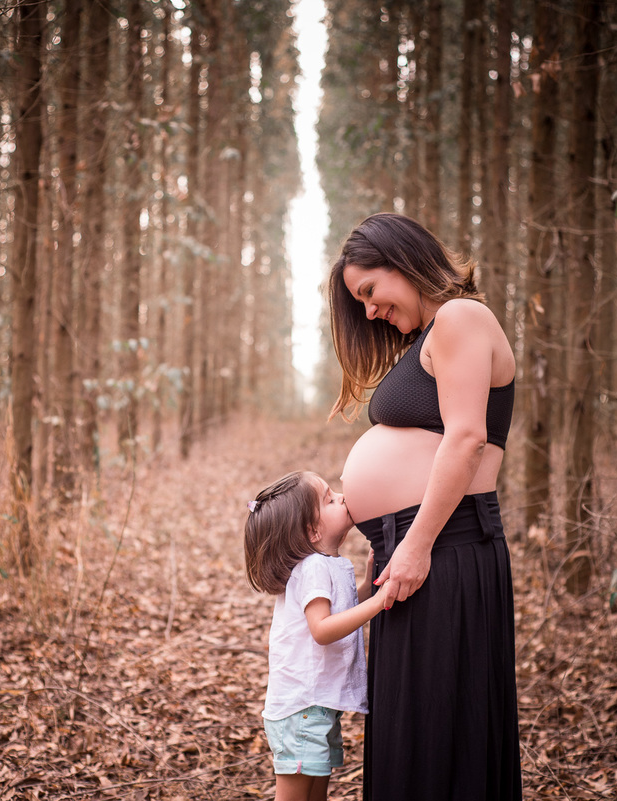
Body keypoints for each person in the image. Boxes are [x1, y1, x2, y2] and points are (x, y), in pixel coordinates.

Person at [328, 212, 522, 800]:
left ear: (403, 260)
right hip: (420, 549)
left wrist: (413, 545)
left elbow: (467, 439)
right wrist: (389, 542)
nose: (368, 311)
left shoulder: (462, 317)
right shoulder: (429, 338)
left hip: (446, 547)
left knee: (442, 728)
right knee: (413, 727)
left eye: (369, 291)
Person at [244, 471, 389, 801]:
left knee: (315, 794)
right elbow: (323, 630)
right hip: (302, 709)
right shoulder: (312, 568)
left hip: (315, 706)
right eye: (329, 499)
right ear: (312, 531)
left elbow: (343, 611)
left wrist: (369, 587)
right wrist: (380, 602)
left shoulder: (327, 564)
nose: (341, 497)